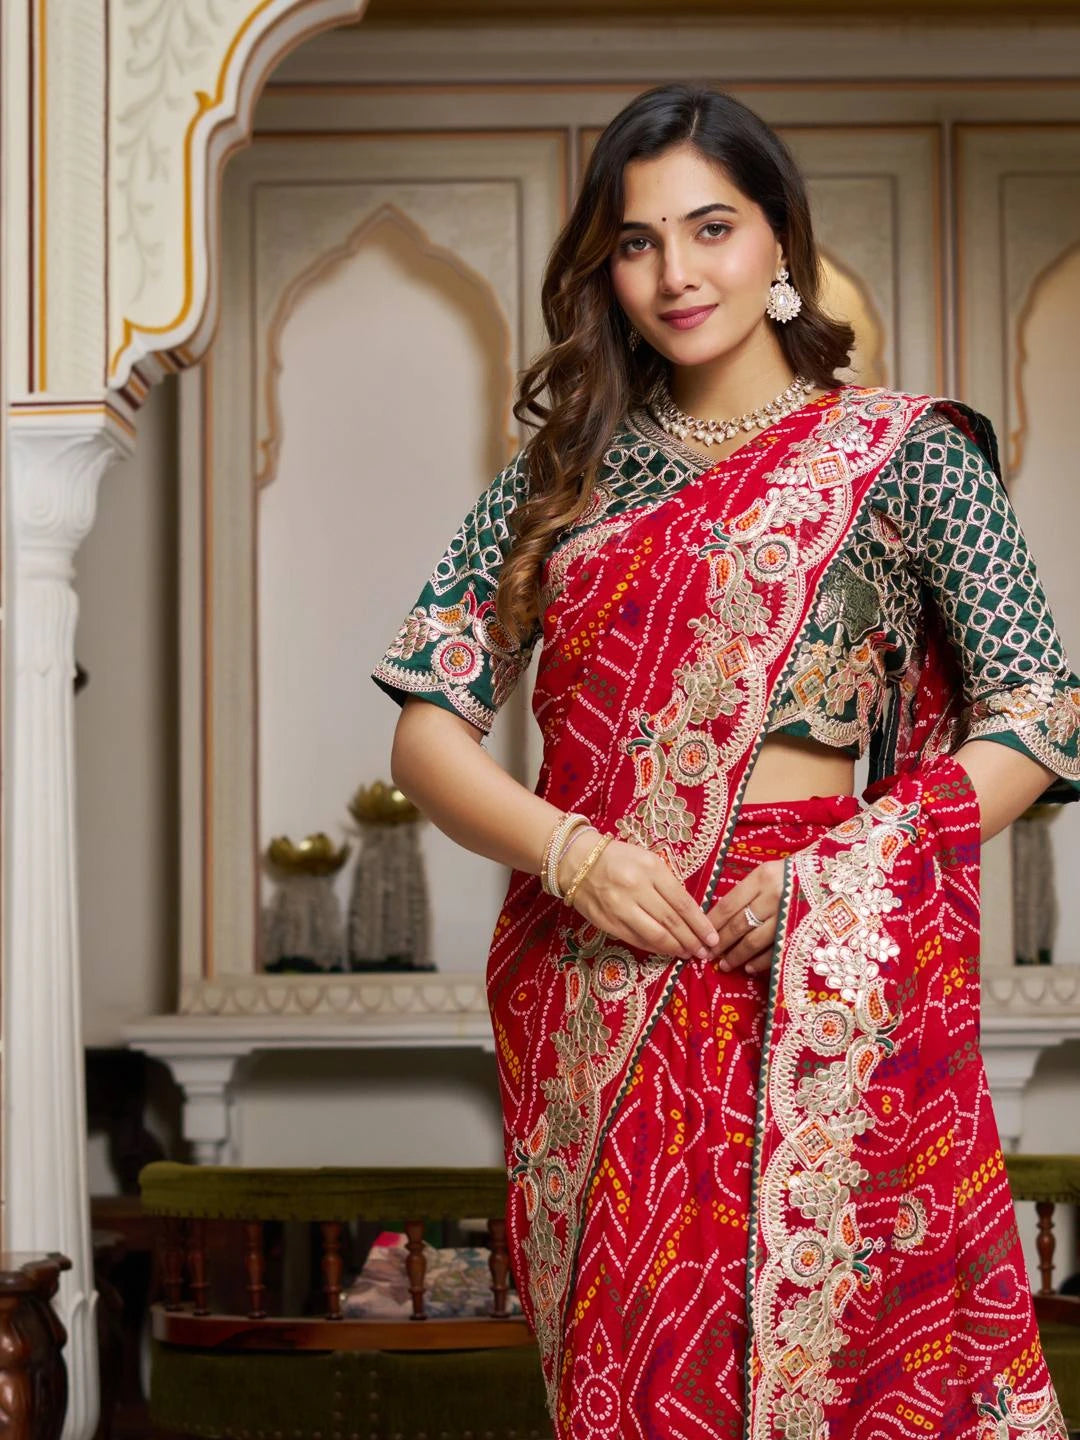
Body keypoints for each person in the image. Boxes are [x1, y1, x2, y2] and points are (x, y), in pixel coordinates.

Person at [372, 84, 1079, 1440]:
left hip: (812, 955)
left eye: (712, 228)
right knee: (641, 1370)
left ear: (778, 245)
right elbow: (425, 725)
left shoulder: (907, 455)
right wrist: (571, 854)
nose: (676, 272)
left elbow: (1041, 715)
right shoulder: (559, 476)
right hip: (605, 948)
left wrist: (858, 861)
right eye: (637, 242)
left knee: (852, 1365)